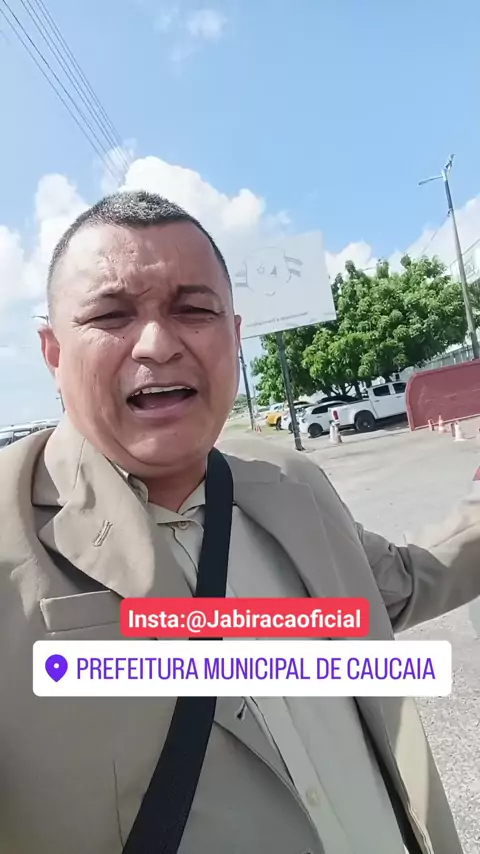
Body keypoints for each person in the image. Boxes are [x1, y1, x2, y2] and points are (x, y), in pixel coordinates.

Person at [0, 190, 478, 854]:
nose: (158, 344)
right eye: (111, 315)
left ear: (234, 333)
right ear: (53, 352)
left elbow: (389, 587)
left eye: (193, 310)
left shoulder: (289, 482)